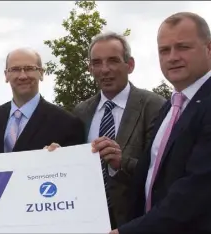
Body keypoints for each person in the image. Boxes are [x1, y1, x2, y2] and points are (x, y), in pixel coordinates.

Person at [97, 12, 211, 234]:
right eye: (164, 50)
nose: (172, 57)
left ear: (209, 48)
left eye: (183, 47)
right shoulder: (172, 106)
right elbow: (153, 180)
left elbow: (195, 191)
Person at [72, 32, 166, 228]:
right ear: (90, 68)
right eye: (97, 63)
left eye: (113, 61)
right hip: (88, 221)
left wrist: (120, 163)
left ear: (130, 65)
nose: (105, 69)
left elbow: (162, 171)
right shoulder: (81, 112)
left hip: (137, 222)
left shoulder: (155, 106)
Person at [0, 48, 85, 154]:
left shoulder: (67, 123)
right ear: (6, 75)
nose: (23, 76)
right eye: (15, 69)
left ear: (41, 73)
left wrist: (60, 157)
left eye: (29, 68)